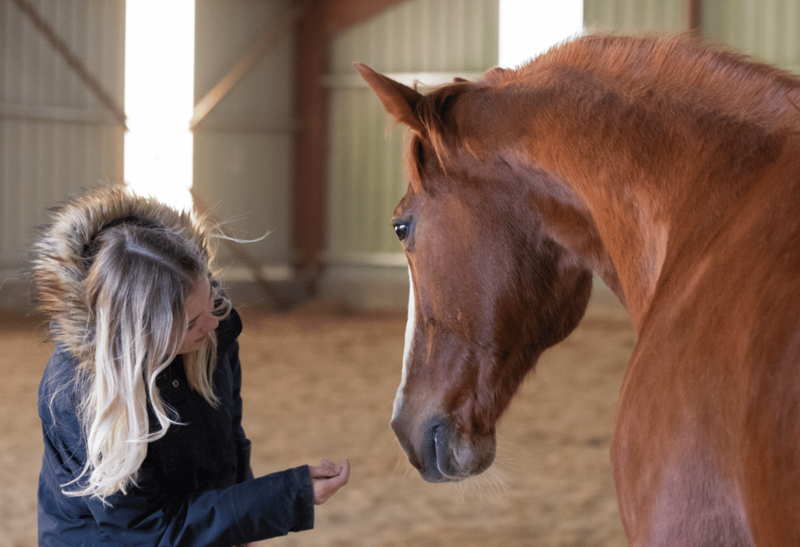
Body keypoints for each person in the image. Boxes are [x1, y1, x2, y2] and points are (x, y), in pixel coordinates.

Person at [33, 186, 349, 546]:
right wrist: (281, 497)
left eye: (210, 301)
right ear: (141, 335)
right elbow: (149, 531)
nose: (213, 324)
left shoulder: (211, 327)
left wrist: (244, 525)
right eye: (190, 322)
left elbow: (228, 438)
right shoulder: (78, 396)